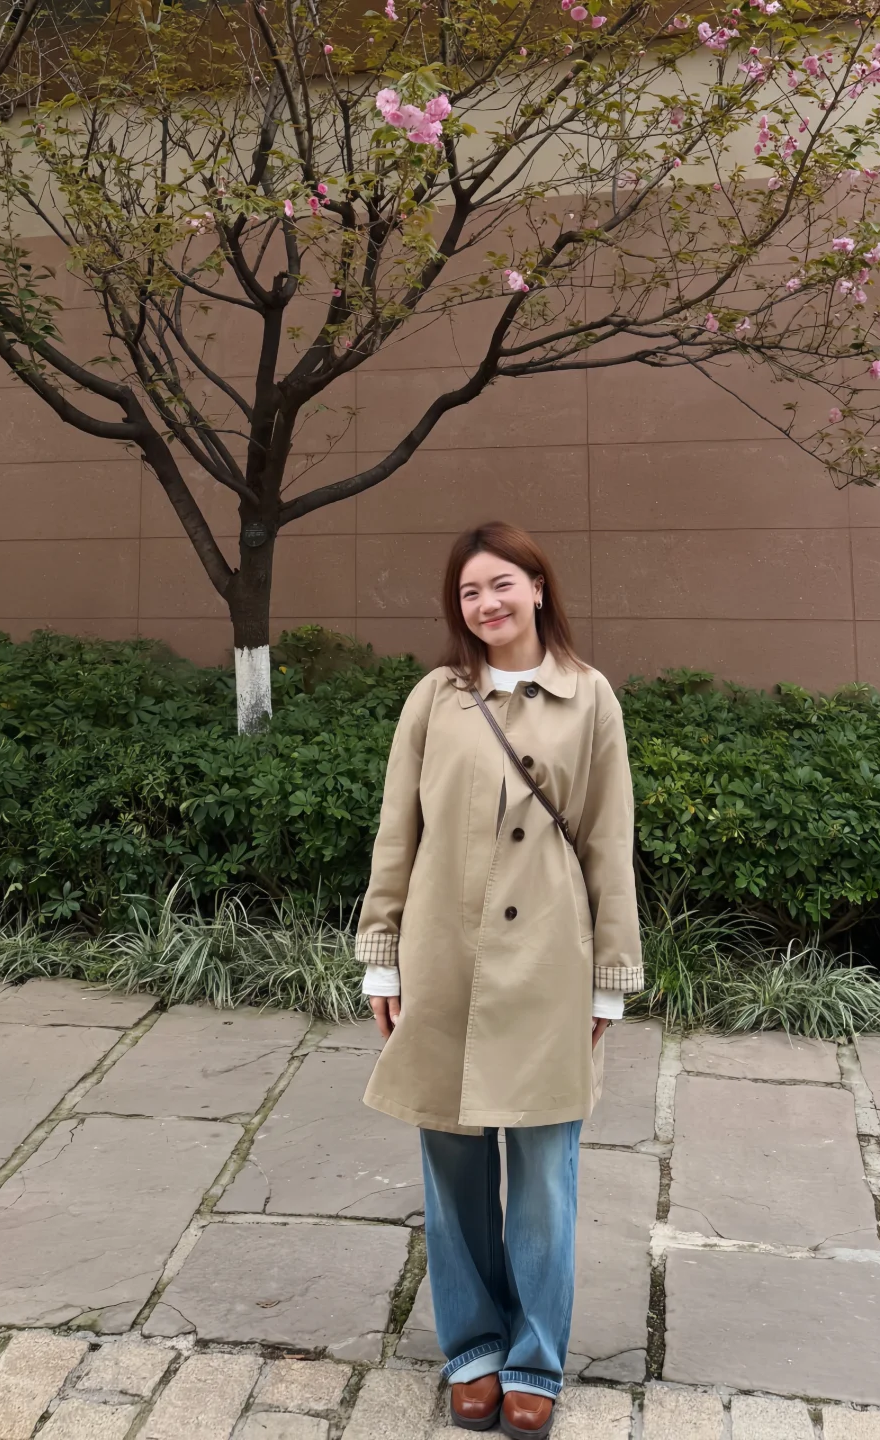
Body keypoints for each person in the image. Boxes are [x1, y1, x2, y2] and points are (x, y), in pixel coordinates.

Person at [356, 521, 643, 1438]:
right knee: (452, 1165)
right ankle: (474, 1348)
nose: (487, 604)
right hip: (444, 958)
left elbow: (609, 841)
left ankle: (536, 1360)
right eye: (470, 592)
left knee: (546, 1175)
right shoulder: (436, 698)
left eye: (502, 584)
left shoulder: (590, 697)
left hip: (551, 964)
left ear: (539, 587)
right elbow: (397, 829)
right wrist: (380, 952)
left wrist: (610, 977)